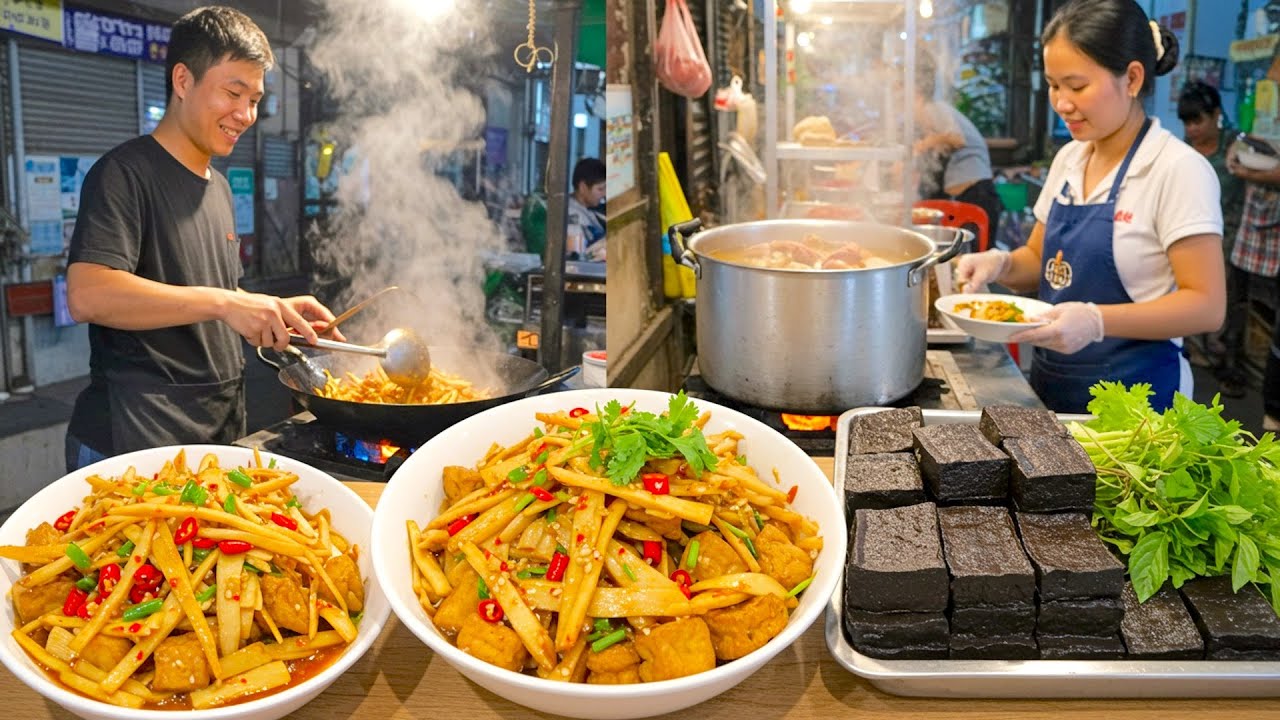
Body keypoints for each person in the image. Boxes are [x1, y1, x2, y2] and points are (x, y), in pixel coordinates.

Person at [64, 6, 341, 471]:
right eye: (233, 92)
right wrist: (226, 303)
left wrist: (269, 307)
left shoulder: (220, 187)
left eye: (255, 99)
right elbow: (88, 293)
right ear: (183, 80)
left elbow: (203, 290)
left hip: (214, 427)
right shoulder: (124, 174)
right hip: (134, 437)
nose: (246, 114)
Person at [954, 0, 1225, 414]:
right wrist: (1002, 265)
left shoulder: (1177, 169)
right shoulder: (1071, 158)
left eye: (1076, 86)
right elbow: (1038, 260)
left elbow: (1206, 306)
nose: (1061, 103)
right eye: (1052, 84)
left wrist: (1097, 321)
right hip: (1052, 387)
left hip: (1142, 409)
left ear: (1132, 78)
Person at [1177, 80, 1245, 385]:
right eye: (1187, 122)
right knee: (1188, 290)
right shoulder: (1181, 154)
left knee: (1224, 297)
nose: (1192, 129)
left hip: (1230, 235)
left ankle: (1221, 359)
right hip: (1189, 235)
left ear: (1216, 114)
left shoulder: (1236, 148)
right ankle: (1191, 350)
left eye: (1197, 120)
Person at [913, 47, 1004, 245]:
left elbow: (957, 139)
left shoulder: (933, 108)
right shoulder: (931, 117)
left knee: (977, 255)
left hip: (978, 194)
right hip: (970, 195)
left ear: (917, 96)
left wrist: (927, 143)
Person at [1225, 135, 1280, 425]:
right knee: (1242, 305)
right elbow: (1236, 154)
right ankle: (1272, 414)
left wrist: (1248, 172)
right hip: (1254, 235)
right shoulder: (1261, 121)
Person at [567, 157, 606, 259]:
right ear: (583, 187)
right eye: (600, 189)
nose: (604, 194)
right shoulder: (572, 216)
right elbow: (576, 257)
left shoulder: (590, 210)